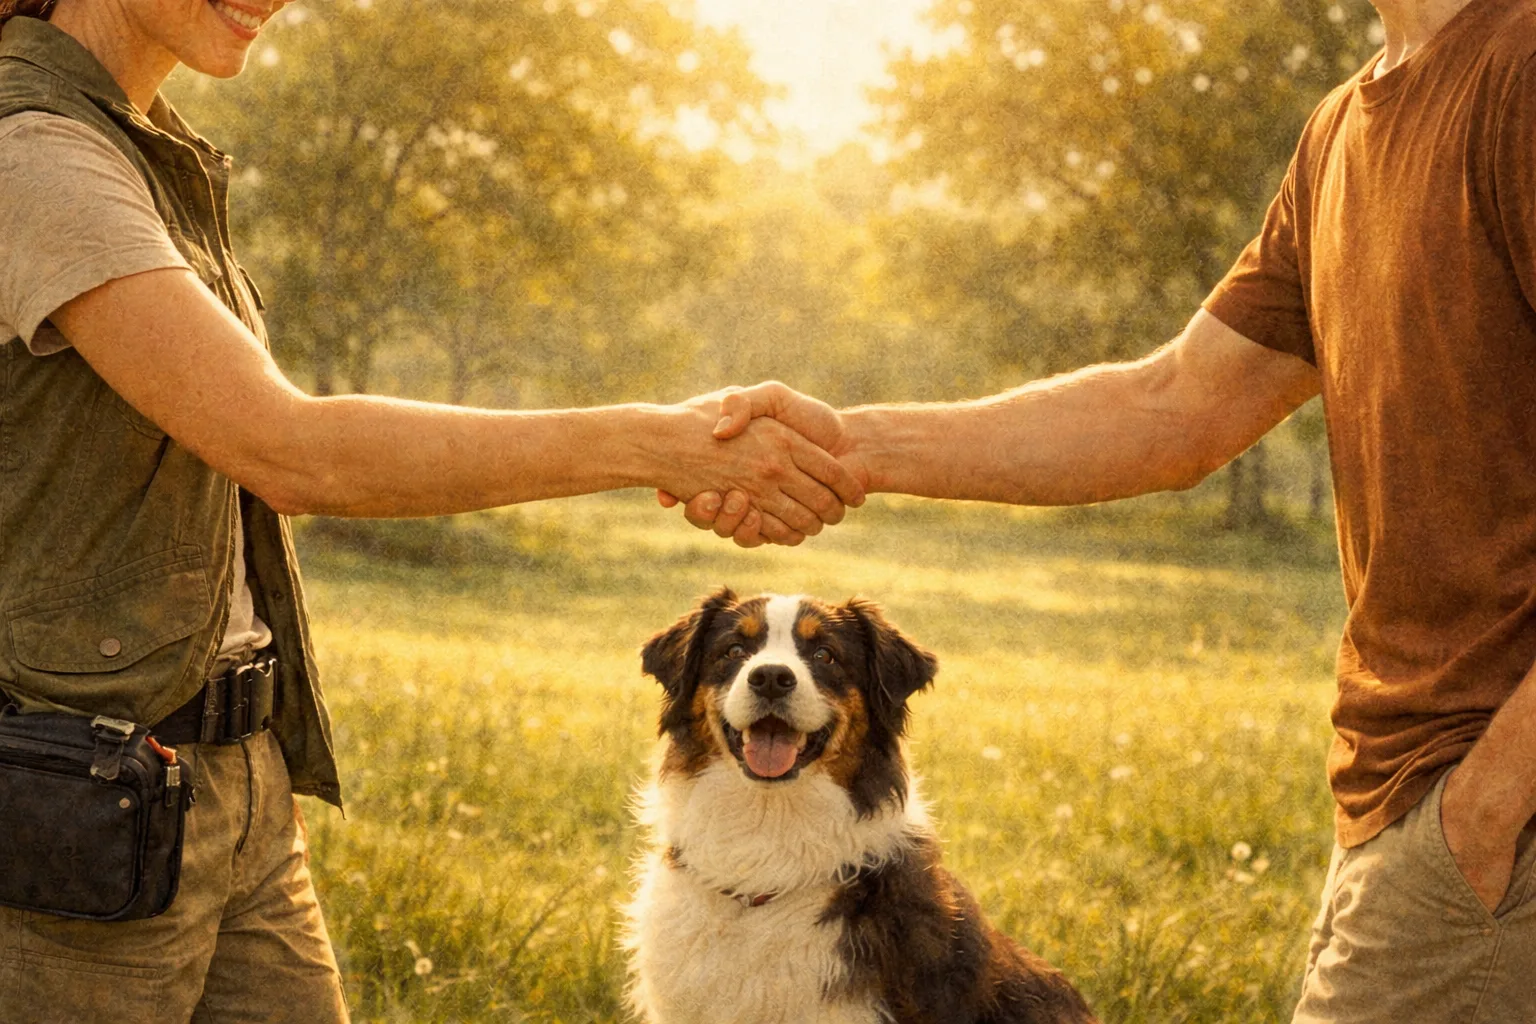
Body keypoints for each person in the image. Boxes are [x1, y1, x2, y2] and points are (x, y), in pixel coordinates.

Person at [0, 0, 863, 1020]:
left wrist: (253, 766)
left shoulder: (144, 144)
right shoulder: (38, 153)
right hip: (82, 798)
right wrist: (652, 441)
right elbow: (290, 452)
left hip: (229, 779)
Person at [675, 0, 1536, 1017]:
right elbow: (1174, 408)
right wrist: (846, 448)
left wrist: (1494, 799)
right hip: (1414, 798)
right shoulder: (1346, 126)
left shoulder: (1519, 70)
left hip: (1492, 800)